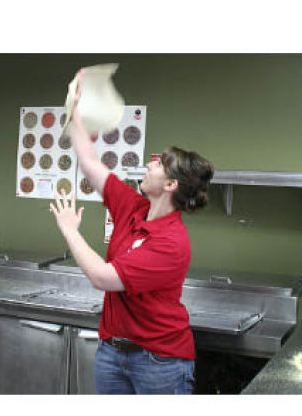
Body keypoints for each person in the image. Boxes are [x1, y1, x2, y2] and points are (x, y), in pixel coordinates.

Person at [50, 71, 214, 394]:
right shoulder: (133, 206)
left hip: (160, 363)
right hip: (112, 353)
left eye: (158, 164)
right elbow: (89, 161)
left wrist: (70, 231)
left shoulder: (171, 242)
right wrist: (75, 111)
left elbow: (103, 277)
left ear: (170, 185)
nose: (148, 165)